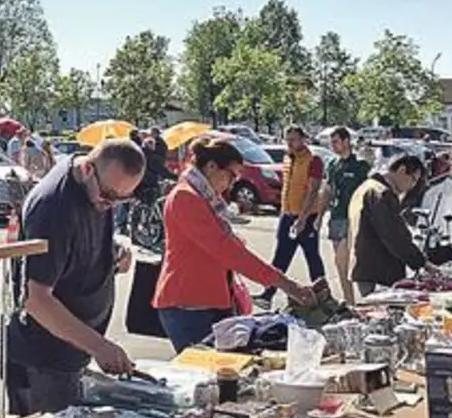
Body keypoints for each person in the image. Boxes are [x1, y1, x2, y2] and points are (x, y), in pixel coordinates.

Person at [6, 139, 144, 416]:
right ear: (88, 169)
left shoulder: (96, 189)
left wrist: (113, 250)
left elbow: (77, 246)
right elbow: (36, 300)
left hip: (72, 353)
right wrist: (99, 346)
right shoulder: (53, 207)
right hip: (45, 361)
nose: (110, 204)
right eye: (109, 195)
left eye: (122, 198)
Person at [154, 137, 314, 351]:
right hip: (188, 305)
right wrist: (284, 283)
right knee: (205, 375)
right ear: (211, 166)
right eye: (231, 175)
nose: (231, 184)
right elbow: (226, 250)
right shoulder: (186, 196)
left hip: (210, 301)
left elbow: (227, 248)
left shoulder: (204, 196)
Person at [255, 126, 326, 308]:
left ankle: (324, 295)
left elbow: (313, 191)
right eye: (288, 140)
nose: (290, 143)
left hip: (306, 217)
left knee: (312, 256)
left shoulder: (314, 160)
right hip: (287, 215)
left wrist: (302, 219)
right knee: (280, 257)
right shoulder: (288, 158)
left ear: (303, 139)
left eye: (294, 139)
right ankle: (267, 294)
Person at [348, 155, 431, 297]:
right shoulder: (381, 193)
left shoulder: (366, 187)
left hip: (365, 267)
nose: (412, 186)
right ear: (402, 170)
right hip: (379, 272)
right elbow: (394, 236)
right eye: (413, 180)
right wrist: (421, 262)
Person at [321, 126, 370, 304]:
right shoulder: (333, 165)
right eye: (331, 142)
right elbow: (327, 191)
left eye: (335, 142)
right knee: (340, 264)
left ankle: (358, 299)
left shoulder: (360, 165)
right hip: (336, 216)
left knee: (346, 260)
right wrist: (319, 217)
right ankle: (349, 300)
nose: (332, 146)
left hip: (353, 218)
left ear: (346, 141)